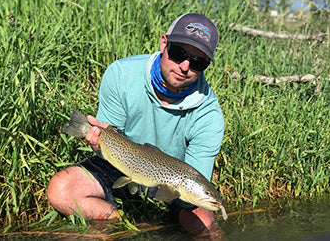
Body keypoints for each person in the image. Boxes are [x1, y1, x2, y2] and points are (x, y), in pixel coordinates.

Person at [47, 12, 225, 235]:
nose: (185, 66)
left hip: (171, 180)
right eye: (179, 53)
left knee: (206, 225)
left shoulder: (210, 115)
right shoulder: (122, 74)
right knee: (61, 189)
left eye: (198, 62)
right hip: (122, 164)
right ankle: (120, 225)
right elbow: (109, 133)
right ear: (163, 43)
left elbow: (196, 177)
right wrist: (96, 140)